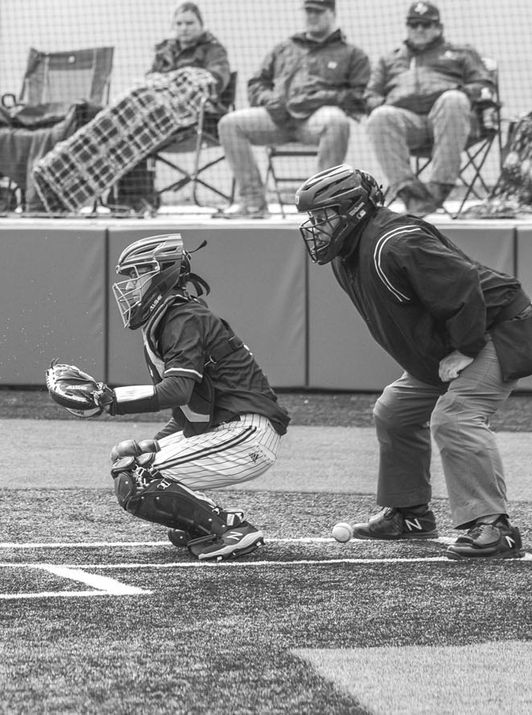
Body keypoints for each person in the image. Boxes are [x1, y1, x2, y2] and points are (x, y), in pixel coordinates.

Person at [295, 164, 531, 559]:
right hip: (453, 342)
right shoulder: (347, 253)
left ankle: (494, 526)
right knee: (395, 411)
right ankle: (411, 514)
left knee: (456, 416)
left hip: (498, 329)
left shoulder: (397, 242)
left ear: (354, 208)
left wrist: (467, 349)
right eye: (313, 218)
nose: (316, 226)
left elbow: (465, 287)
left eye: (323, 216)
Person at [47, 234, 290, 561]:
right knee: (131, 461)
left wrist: (109, 400)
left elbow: (176, 391)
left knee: (139, 479)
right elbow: (186, 412)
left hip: (246, 433)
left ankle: (230, 531)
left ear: (161, 273)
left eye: (137, 275)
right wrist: (154, 444)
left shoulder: (183, 318)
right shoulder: (170, 319)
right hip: (231, 430)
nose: (131, 286)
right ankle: (213, 522)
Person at [214, 0, 369, 219]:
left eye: (318, 11)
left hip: (315, 120)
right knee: (229, 123)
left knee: (337, 121)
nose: (311, 16)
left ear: (332, 13)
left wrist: (320, 98)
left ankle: (323, 204)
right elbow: (257, 83)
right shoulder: (284, 48)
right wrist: (270, 100)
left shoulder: (352, 54)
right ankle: (252, 203)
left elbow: (359, 96)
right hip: (278, 117)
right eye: (308, 11)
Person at [364, 1, 497, 217]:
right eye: (414, 24)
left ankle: (438, 187)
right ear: (407, 27)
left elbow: (484, 85)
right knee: (380, 116)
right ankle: (409, 192)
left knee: (453, 99)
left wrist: (461, 91)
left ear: (438, 27)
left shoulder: (461, 52)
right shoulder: (389, 59)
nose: (419, 29)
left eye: (426, 25)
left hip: (451, 121)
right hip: (408, 124)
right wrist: (381, 103)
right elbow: (370, 96)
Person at [113, 2, 231, 216]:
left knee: (140, 134)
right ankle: (129, 200)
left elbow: (217, 80)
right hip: (160, 119)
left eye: (189, 23)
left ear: (201, 25)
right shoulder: (164, 51)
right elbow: (150, 80)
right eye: (179, 23)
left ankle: (142, 200)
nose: (184, 27)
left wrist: (179, 84)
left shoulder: (214, 50)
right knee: (127, 130)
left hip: (198, 120)